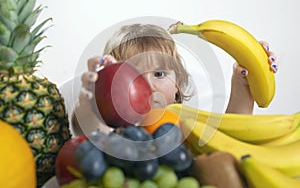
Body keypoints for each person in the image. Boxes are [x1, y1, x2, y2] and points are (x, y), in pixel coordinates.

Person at [71, 23, 278, 137]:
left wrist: (242, 83)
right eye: (133, 76)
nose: (149, 86)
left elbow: (233, 135)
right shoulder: (114, 130)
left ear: (177, 85)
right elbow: (87, 128)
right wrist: (91, 102)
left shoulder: (188, 127)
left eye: (159, 74)